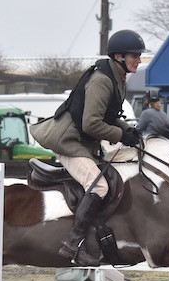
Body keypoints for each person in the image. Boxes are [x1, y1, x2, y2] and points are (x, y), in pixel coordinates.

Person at [30, 29, 148, 266]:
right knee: (100, 186)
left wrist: (128, 129)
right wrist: (122, 136)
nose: (139, 60)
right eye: (134, 55)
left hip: (83, 143)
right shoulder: (102, 80)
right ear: (119, 57)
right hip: (69, 143)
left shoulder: (117, 77)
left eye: (138, 55)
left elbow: (109, 115)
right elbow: (91, 123)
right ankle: (72, 243)